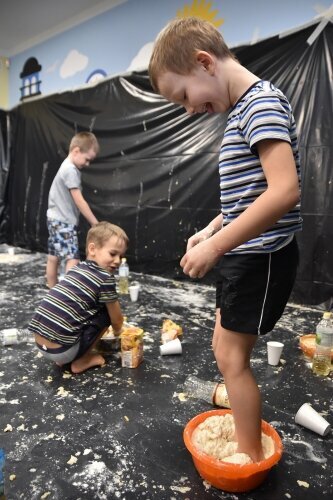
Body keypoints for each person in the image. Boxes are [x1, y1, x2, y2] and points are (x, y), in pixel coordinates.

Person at [149, 17, 302, 462]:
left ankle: (249, 456)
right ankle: (243, 431)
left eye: (183, 96)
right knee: (222, 350)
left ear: (203, 63)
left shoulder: (261, 104)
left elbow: (284, 191)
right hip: (241, 252)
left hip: (260, 258)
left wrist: (217, 248)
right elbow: (249, 193)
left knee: (233, 360)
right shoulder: (242, 110)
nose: (188, 109)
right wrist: (213, 229)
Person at [29, 221, 128, 374]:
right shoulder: (105, 278)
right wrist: (119, 333)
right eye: (113, 254)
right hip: (63, 351)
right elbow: (117, 319)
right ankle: (82, 360)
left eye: (121, 256)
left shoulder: (76, 269)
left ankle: (66, 359)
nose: (117, 261)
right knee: (106, 314)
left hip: (42, 346)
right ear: (92, 249)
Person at [46, 131, 99, 288]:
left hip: (54, 219)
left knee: (53, 257)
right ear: (76, 151)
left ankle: (52, 290)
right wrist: (94, 223)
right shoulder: (70, 170)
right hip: (63, 222)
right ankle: (68, 295)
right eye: (87, 159)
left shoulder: (66, 166)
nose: (87, 164)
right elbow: (79, 201)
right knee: (73, 259)